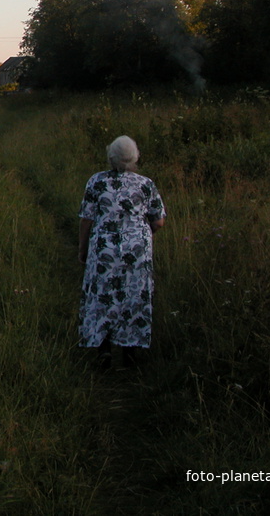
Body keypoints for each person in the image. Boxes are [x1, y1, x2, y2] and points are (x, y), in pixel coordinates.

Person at [77, 135, 165, 366]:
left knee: (102, 294)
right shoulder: (146, 185)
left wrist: (82, 249)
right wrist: (142, 234)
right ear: (135, 158)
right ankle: (130, 351)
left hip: (104, 247)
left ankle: (103, 346)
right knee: (134, 296)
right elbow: (158, 221)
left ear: (111, 157)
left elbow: (86, 218)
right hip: (137, 251)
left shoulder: (96, 181)